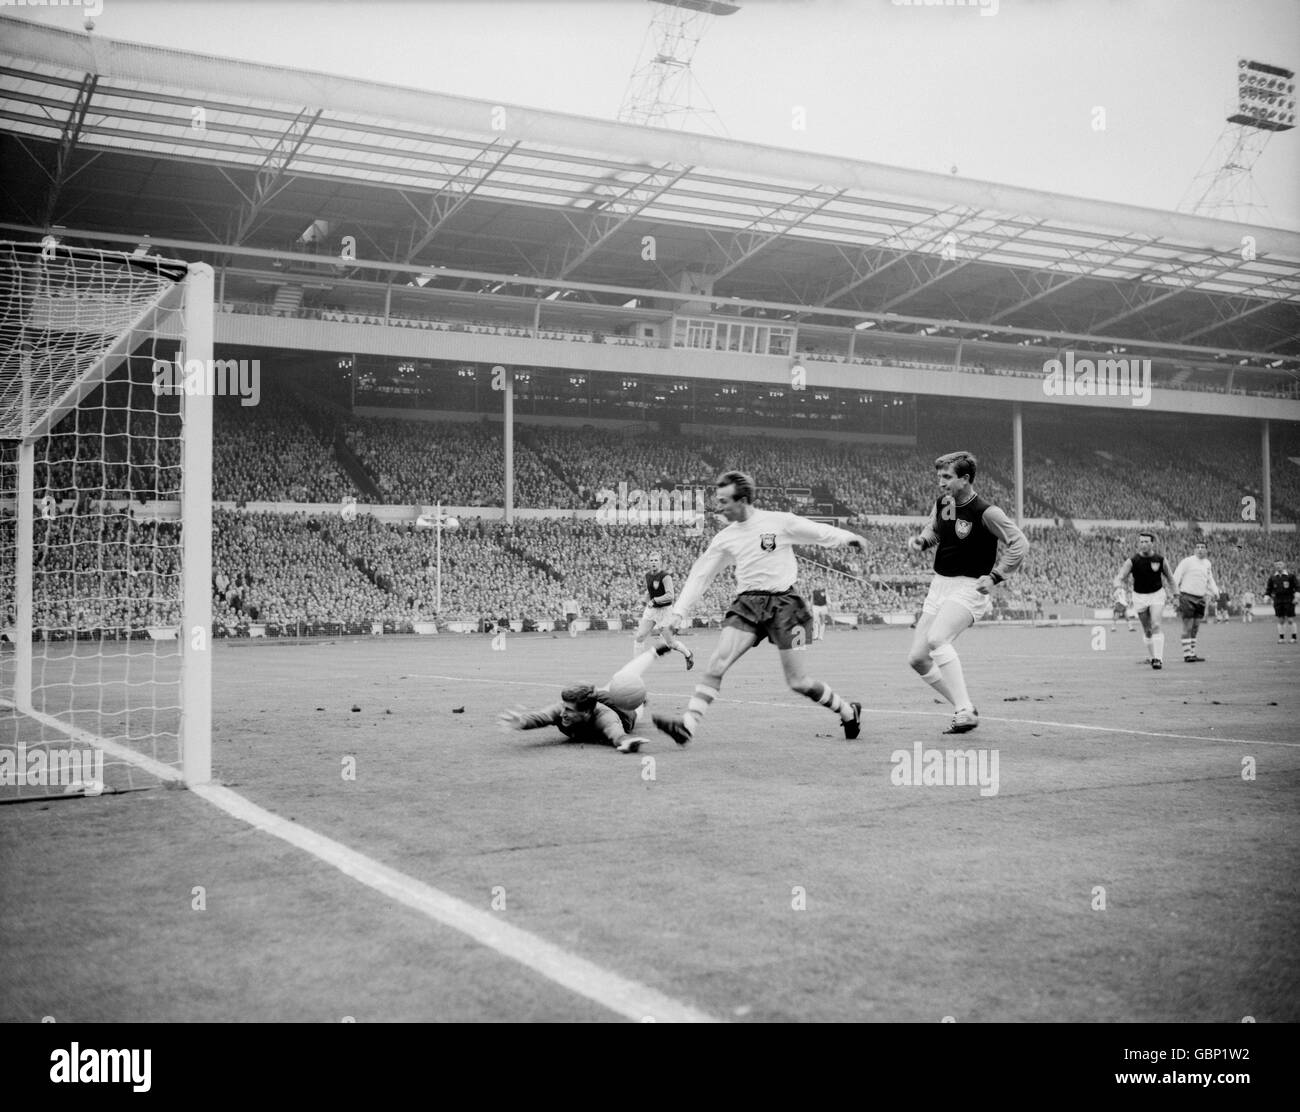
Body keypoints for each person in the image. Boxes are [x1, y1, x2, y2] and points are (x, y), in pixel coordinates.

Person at [650, 471, 866, 745]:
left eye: (724, 500)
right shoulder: (725, 538)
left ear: (743, 500)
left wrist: (848, 538)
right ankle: (687, 726)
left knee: (798, 682)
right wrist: (677, 614)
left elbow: (816, 531)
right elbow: (701, 575)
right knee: (717, 662)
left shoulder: (779, 522)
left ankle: (848, 712)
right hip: (748, 606)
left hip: (788, 608)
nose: (720, 506)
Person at [906, 451, 1028, 734]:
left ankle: (963, 711)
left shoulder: (986, 512)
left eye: (947, 477)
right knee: (917, 658)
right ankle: (965, 707)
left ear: (965, 478)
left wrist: (996, 576)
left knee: (938, 639)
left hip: (968, 587)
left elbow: (1019, 544)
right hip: (939, 585)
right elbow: (936, 529)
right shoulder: (945, 503)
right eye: (939, 477)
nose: (941, 483)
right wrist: (922, 541)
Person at [497, 644, 672, 754]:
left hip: (623, 712)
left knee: (630, 690)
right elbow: (541, 717)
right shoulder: (562, 709)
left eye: (569, 710)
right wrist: (520, 721)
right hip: (598, 696)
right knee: (616, 682)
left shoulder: (605, 717)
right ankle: (653, 652)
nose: (562, 713)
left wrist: (627, 742)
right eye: (564, 707)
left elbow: (616, 733)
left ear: (588, 712)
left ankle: (650, 665)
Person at [1113, 531, 1177, 669]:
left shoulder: (1160, 560)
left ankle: (1158, 659)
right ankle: (1152, 657)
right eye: (1141, 542)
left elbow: (1171, 578)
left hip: (1157, 594)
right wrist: (1118, 587)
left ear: (1152, 543)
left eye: (1146, 542)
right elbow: (1119, 577)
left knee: (1156, 625)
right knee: (1147, 630)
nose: (1143, 544)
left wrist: (1176, 594)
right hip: (1139, 597)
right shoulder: (1132, 561)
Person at [631, 552, 694, 668]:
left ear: (660, 562)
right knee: (639, 637)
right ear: (648, 563)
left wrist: (654, 601)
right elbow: (649, 592)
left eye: (656, 560)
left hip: (665, 611)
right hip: (652, 610)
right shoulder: (648, 575)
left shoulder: (665, 576)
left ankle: (688, 654)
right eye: (651, 560)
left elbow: (670, 595)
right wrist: (643, 603)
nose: (653, 562)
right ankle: (635, 667)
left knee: (670, 643)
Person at [1172, 540, 1219, 662]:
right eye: (1197, 547)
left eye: (1202, 547)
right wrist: (1175, 596)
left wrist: (1215, 591)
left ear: (1206, 550)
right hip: (1187, 596)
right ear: (1194, 549)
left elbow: (1210, 579)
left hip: (1201, 598)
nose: (1200, 549)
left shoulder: (1207, 564)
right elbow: (1176, 577)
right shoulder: (1187, 561)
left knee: (1196, 627)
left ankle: (1192, 653)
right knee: (1187, 626)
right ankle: (1187, 655)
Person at [1264, 560, 1297, 643]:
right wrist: (1266, 596)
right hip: (1278, 600)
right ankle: (1281, 638)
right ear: (1275, 566)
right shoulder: (1272, 578)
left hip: (1289, 599)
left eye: (1280, 564)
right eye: (1277, 565)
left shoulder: (1290, 576)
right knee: (1281, 620)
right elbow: (1269, 589)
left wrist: (1297, 597)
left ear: (1284, 565)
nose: (1278, 566)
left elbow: (1297, 587)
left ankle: (1294, 637)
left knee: (1290, 620)